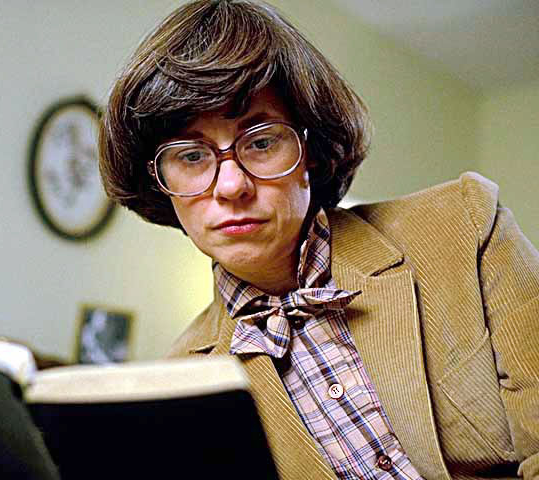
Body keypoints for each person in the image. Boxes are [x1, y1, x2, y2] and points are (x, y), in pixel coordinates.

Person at [98, 1, 539, 479]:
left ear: (310, 148)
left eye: (261, 142)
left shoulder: (466, 224)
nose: (231, 186)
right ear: (158, 180)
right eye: (190, 156)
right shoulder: (179, 385)